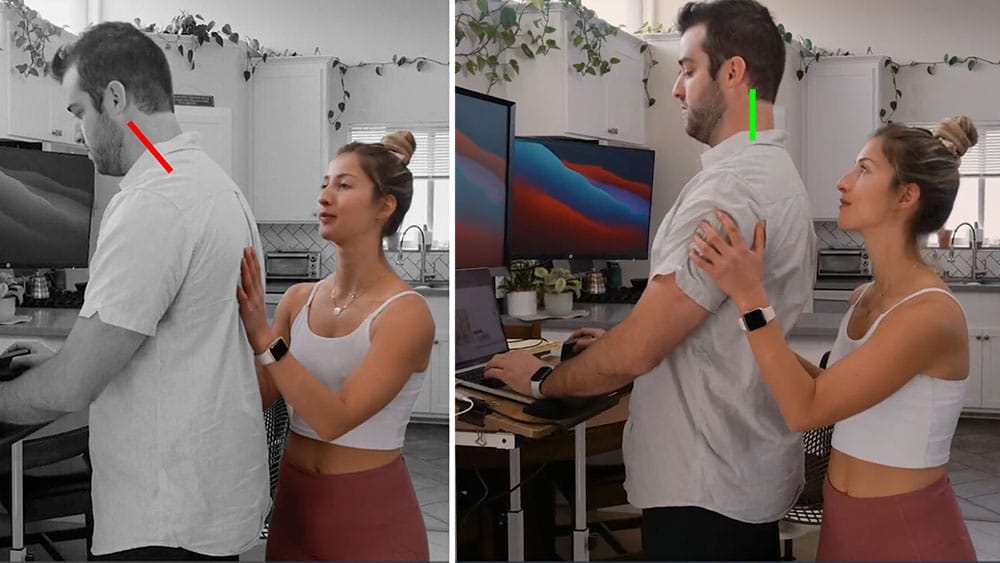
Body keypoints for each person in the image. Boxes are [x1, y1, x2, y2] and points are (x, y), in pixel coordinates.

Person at [484, 0, 817, 559]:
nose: (677, 90)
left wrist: (540, 379)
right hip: (746, 476)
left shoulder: (725, 192)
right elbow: (698, 331)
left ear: (733, 73)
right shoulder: (774, 171)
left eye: (687, 69)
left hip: (704, 491)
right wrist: (618, 341)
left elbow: (637, 354)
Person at [4, 22, 270, 560]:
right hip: (208, 504)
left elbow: (71, 390)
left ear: (116, 98)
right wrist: (66, 354)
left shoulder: (154, 200)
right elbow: (175, 342)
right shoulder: (214, 184)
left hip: (162, 519)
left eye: (79, 112)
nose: (78, 133)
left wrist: (6, 398)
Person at [691, 116, 979, 561]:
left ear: (906, 195)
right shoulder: (866, 297)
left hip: (907, 532)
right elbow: (828, 388)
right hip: (843, 522)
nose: (843, 181)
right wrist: (733, 320)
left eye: (864, 169)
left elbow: (806, 408)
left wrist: (751, 296)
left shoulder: (930, 316)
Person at [235, 131, 434, 560]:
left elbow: (333, 418)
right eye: (325, 183)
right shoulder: (297, 300)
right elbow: (259, 398)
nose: (325, 196)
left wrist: (264, 339)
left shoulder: (405, 314)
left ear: (385, 206)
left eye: (344, 186)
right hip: (292, 509)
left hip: (372, 518)